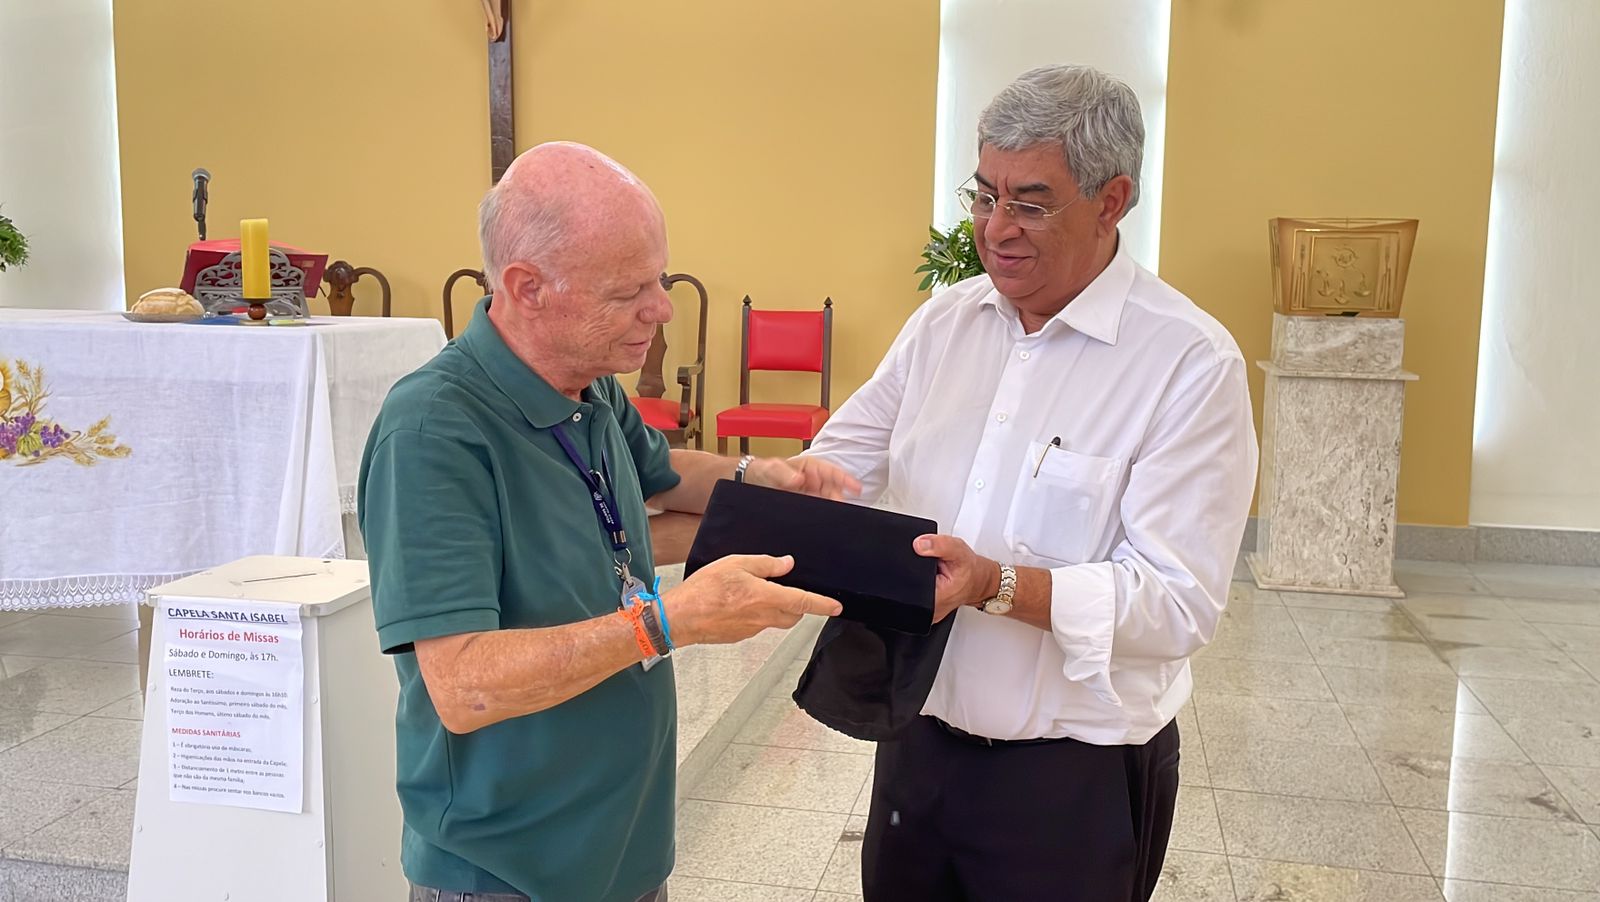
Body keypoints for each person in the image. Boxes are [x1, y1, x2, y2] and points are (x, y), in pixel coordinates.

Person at [358, 141, 858, 902]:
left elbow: (667, 476)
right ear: (527, 287)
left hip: (623, 845)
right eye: (629, 292)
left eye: (660, 280)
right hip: (508, 869)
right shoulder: (432, 431)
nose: (661, 310)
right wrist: (666, 622)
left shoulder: (588, 387)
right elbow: (462, 685)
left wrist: (765, 479)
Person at [805, 65, 1258, 901]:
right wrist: (720, 494)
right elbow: (833, 472)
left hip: (1073, 783)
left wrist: (995, 584)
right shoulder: (945, 324)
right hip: (918, 745)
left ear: (1112, 200)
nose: (996, 228)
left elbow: (1178, 602)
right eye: (984, 195)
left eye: (1031, 203)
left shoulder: (1188, 362)